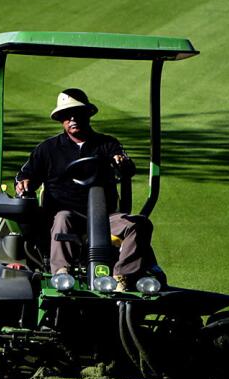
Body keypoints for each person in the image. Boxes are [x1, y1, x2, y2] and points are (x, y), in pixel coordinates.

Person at [14, 88, 156, 292]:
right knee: (63, 217)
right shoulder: (47, 149)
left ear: (87, 115)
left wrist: (121, 163)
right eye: (66, 115)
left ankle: (122, 276)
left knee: (140, 224)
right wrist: (24, 182)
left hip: (105, 219)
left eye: (77, 114)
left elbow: (127, 168)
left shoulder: (107, 144)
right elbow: (26, 176)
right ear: (61, 120)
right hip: (65, 218)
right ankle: (61, 274)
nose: (72, 118)